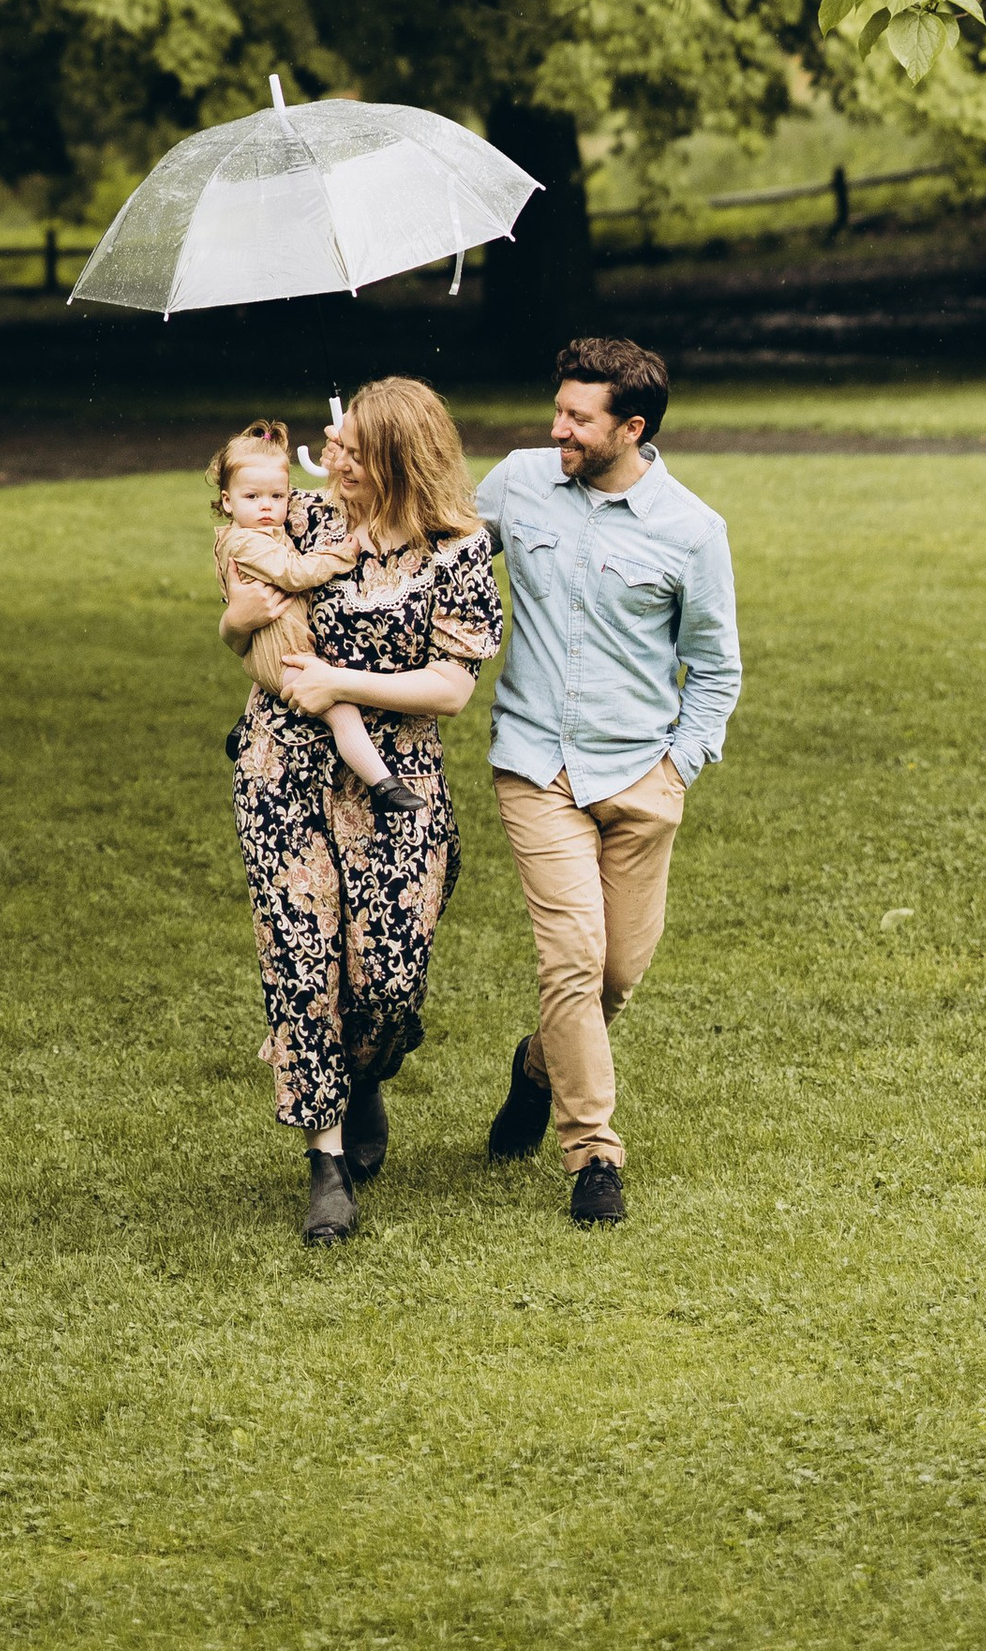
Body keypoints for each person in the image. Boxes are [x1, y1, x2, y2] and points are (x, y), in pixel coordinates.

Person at [220, 376, 503, 1246]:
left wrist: (339, 682)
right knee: (301, 961)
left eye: (354, 455)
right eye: (337, 452)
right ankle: (327, 1163)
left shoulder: (458, 549)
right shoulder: (304, 522)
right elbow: (245, 620)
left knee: (386, 981)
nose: (335, 466)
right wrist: (235, 621)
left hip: (395, 781)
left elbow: (451, 688)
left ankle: (365, 1072)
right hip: (283, 769)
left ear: (401, 460)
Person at [473, 334, 741, 1228]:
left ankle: (536, 1069)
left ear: (632, 429)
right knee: (574, 961)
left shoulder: (692, 531)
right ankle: (593, 1154)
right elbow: (434, 552)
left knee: (615, 976)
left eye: (578, 419)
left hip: (640, 777)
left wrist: (678, 767)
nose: (557, 429)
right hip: (536, 766)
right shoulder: (517, 482)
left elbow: (716, 669)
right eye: (558, 410)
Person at [210, 422, 426, 815]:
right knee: (340, 709)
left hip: (276, 643)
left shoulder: (260, 532)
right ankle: (382, 783)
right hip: (282, 651)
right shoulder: (246, 541)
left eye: (277, 496)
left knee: (269, 670)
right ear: (227, 501)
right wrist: (342, 555)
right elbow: (295, 573)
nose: (266, 506)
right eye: (252, 496)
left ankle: (243, 725)